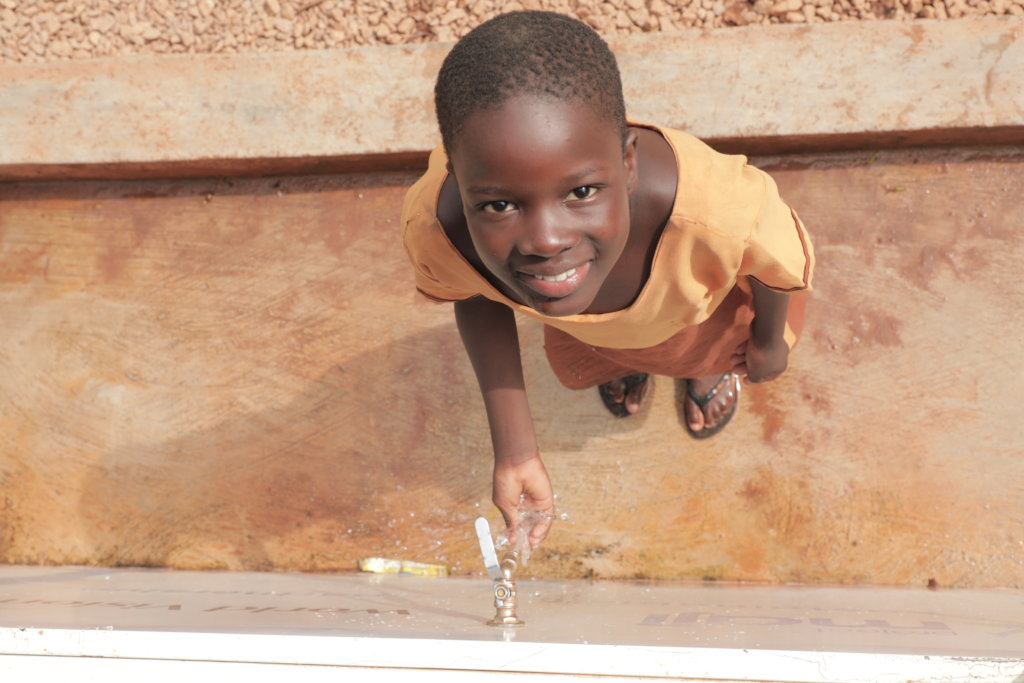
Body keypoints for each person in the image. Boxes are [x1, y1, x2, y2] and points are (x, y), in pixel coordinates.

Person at [401, 11, 814, 549]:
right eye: (499, 204)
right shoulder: (439, 230)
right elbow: (475, 293)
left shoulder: (718, 210)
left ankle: (700, 375)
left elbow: (781, 268)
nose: (546, 241)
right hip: (591, 327)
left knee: (703, 354)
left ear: (628, 164)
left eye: (580, 193)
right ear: (459, 182)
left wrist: (765, 344)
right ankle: (628, 363)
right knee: (604, 352)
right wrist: (517, 450)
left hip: (700, 320)